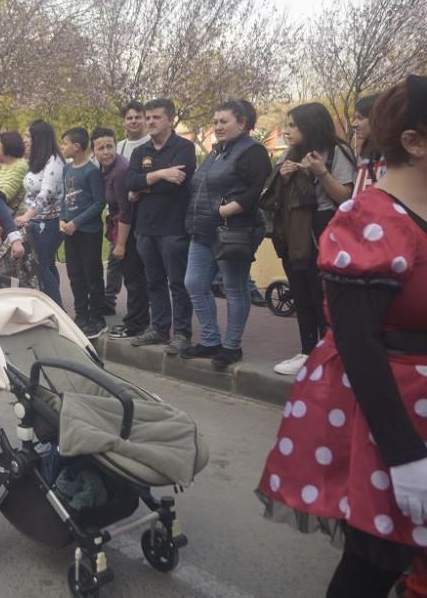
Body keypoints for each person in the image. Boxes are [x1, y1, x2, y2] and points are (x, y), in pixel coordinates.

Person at [256, 75, 427, 598]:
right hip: (392, 415)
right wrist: (405, 456)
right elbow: (358, 345)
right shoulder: (371, 220)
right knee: (372, 567)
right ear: (415, 142)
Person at [261, 102, 357, 376]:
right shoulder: (288, 154)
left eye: (293, 125)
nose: (287, 131)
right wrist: (283, 175)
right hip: (293, 229)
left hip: (324, 228)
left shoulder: (336, 151)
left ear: (310, 125)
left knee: (322, 295)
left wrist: (320, 172)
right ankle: (306, 351)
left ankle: (331, 354)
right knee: (300, 292)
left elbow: (345, 197)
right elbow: (272, 196)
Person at [182, 100, 271, 367]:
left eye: (224, 121)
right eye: (216, 122)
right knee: (194, 283)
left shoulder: (253, 152)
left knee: (234, 287)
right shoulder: (216, 152)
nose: (218, 126)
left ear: (242, 123)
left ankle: (232, 346)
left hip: (233, 232)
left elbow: (260, 188)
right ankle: (210, 341)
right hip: (202, 230)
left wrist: (230, 209)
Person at [126, 98, 197, 355]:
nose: (150, 122)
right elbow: (130, 181)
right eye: (148, 117)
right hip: (145, 227)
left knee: (177, 282)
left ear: (169, 119)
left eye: (156, 117)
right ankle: (159, 328)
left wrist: (143, 187)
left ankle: (181, 333)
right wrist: (159, 174)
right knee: (153, 281)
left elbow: (175, 182)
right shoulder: (140, 151)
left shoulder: (184, 147)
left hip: (174, 228)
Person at [93, 128, 150, 339]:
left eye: (110, 146)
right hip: (119, 223)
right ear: (94, 151)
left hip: (130, 226)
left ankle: (136, 323)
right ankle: (139, 319)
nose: (106, 152)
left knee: (133, 276)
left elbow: (126, 210)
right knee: (129, 274)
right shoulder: (103, 168)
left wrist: (121, 243)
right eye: (101, 148)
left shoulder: (119, 170)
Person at [59, 127, 107, 337]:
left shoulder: (92, 172)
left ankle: (97, 317)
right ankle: (81, 314)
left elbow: (99, 203)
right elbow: (64, 198)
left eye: (65, 144)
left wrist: (76, 222)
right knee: (75, 274)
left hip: (89, 232)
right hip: (70, 232)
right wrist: (62, 218)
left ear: (77, 147)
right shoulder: (67, 169)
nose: (63, 148)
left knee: (92, 274)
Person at [105, 100, 151, 313]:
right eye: (129, 118)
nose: (133, 121)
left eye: (137, 117)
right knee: (116, 259)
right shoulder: (119, 147)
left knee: (141, 266)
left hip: (144, 215)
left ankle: (144, 309)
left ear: (145, 119)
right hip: (119, 217)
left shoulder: (152, 144)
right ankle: (109, 301)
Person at [14, 120, 66, 306]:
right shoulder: (36, 161)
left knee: (41, 266)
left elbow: (46, 193)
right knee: (48, 264)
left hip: (50, 221)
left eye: (28, 136)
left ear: (40, 138)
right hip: (36, 222)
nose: (25, 140)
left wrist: (27, 215)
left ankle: (57, 310)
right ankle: (53, 305)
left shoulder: (54, 161)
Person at [352, 93, 385, 196]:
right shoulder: (365, 154)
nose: (354, 124)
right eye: (354, 118)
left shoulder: (396, 156)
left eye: (360, 118)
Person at [0, 131, 28, 214]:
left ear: (7, 146)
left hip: (13, 218)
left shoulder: (20, 165)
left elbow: (6, 195)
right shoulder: (0, 165)